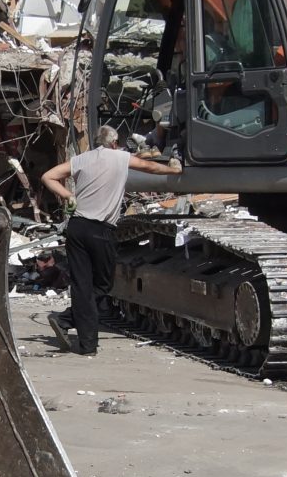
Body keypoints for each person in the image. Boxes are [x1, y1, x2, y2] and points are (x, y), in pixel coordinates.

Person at [41, 126, 182, 355]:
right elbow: (149, 167)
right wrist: (173, 170)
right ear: (115, 143)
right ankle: (69, 322)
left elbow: (48, 176)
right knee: (103, 284)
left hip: (77, 227)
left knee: (82, 285)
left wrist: (68, 195)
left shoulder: (81, 159)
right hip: (100, 230)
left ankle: (83, 341)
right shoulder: (121, 157)